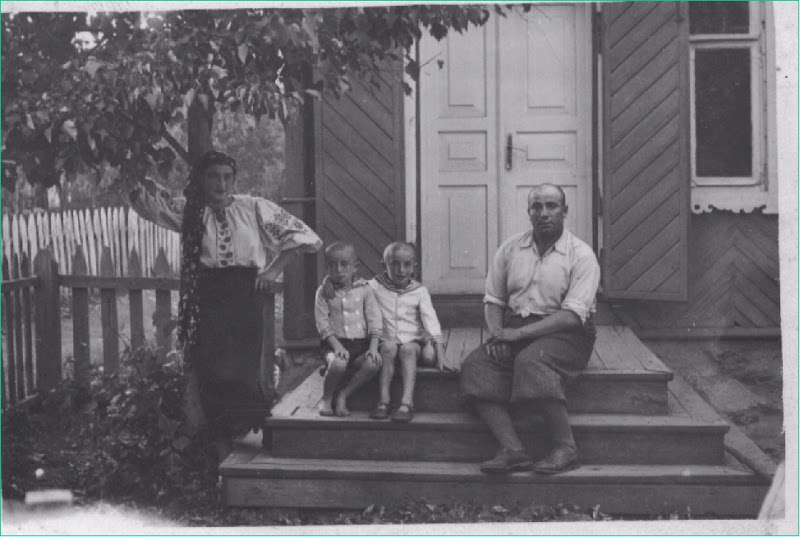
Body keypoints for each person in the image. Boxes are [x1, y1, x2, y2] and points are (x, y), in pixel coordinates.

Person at [127, 150, 322, 456]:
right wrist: (135, 178)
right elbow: (153, 209)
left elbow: (301, 236)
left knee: (242, 368)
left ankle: (260, 425)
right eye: (213, 176)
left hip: (244, 294)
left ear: (233, 179)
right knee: (213, 368)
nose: (220, 183)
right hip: (208, 295)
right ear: (202, 181)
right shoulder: (191, 212)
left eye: (226, 176)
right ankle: (222, 437)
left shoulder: (253, 207)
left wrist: (272, 271)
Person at [460, 184, 600, 474]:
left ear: (565, 211)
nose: (544, 213)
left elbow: (573, 316)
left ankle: (566, 447)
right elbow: (494, 300)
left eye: (552, 206)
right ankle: (513, 449)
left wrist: (518, 336)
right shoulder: (511, 248)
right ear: (529, 212)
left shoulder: (582, 255)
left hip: (566, 333)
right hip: (514, 328)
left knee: (531, 360)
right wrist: (499, 334)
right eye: (537, 207)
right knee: (476, 365)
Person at [368, 242, 445, 423]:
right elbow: (348, 288)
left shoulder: (419, 291)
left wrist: (440, 353)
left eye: (407, 264)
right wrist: (327, 285)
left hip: (412, 341)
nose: (401, 270)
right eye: (394, 264)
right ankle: (384, 401)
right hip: (387, 341)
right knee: (387, 347)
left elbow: (431, 321)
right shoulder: (374, 286)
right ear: (383, 265)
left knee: (408, 350)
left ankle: (406, 403)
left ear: (414, 267)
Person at [314, 242, 383, 417]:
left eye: (344, 264)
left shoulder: (365, 289)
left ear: (355, 266)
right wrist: (337, 347)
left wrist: (374, 347)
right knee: (338, 363)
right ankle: (327, 398)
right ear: (327, 267)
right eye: (332, 265)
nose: (338, 270)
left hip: (360, 345)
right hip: (333, 343)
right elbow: (322, 324)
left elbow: (375, 320)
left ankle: (343, 395)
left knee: (373, 363)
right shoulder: (323, 292)